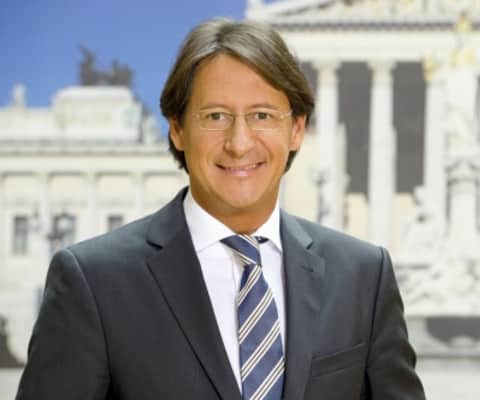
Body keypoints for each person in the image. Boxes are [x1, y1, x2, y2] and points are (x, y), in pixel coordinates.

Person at [17, 18, 425, 400]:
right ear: (177, 129)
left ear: (297, 129)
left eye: (262, 115)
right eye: (215, 116)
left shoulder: (363, 277)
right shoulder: (93, 283)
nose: (239, 143)